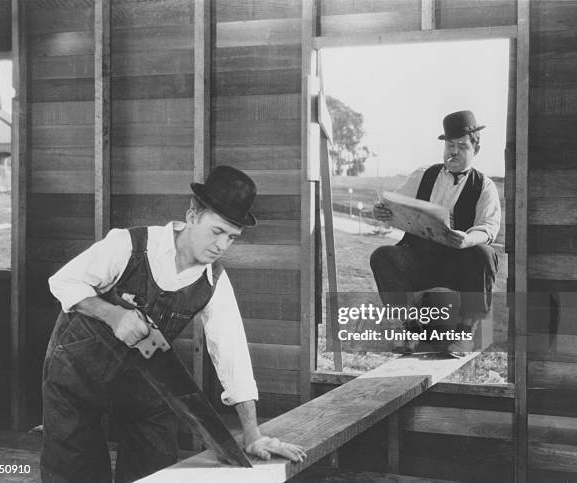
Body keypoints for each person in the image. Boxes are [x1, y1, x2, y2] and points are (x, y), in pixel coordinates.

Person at [41, 165, 306, 482]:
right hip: (76, 375)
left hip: (142, 381)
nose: (222, 246)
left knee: (158, 473)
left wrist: (252, 433)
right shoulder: (129, 245)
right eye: (217, 231)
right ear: (193, 215)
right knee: (74, 474)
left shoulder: (214, 282)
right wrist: (112, 315)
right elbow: (63, 282)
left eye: (232, 238)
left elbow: (232, 354)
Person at [370, 110, 501, 355]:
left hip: (458, 264)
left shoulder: (485, 186)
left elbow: (489, 227)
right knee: (382, 256)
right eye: (450, 145)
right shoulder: (423, 175)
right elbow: (395, 204)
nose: (454, 152)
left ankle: (464, 334)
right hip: (421, 259)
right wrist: (382, 211)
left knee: (484, 253)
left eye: (462, 146)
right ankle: (410, 328)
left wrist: (467, 239)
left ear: (475, 150)